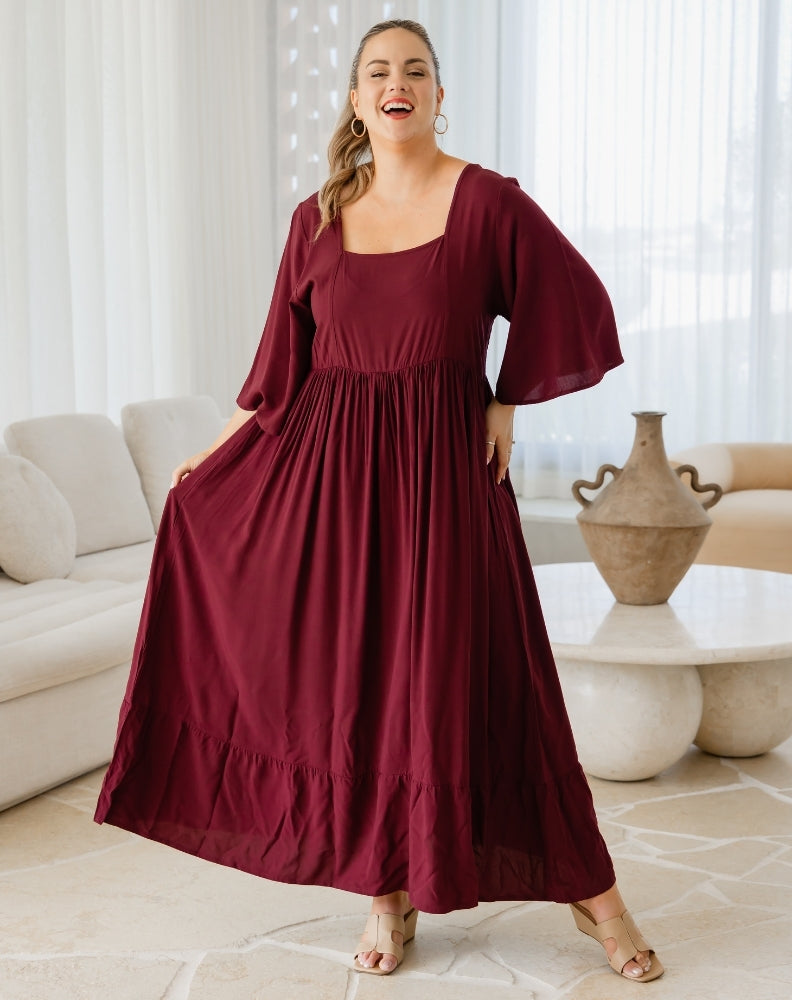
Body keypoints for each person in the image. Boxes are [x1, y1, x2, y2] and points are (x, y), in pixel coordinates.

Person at [95, 18, 663, 984]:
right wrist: (210, 460)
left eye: (415, 71)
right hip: (337, 492)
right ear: (356, 100)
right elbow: (280, 375)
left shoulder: (488, 203)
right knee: (361, 693)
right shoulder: (316, 218)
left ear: (440, 94)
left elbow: (577, 299)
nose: (396, 84)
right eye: (376, 73)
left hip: (445, 489)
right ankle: (387, 894)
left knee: (493, 683)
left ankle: (594, 892)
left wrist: (506, 398)